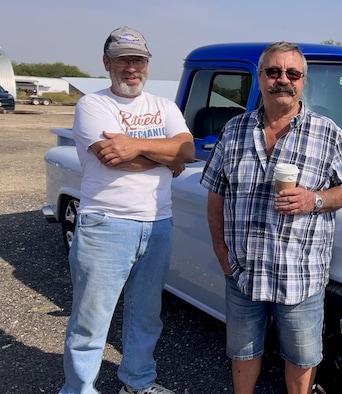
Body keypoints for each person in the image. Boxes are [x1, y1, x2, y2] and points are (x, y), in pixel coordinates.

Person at [200, 41, 342, 394]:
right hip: (244, 272)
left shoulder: (327, 132)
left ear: (303, 81)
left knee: (302, 358)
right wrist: (220, 249)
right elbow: (215, 190)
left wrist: (313, 199)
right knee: (243, 351)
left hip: (300, 275)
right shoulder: (234, 130)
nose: (282, 80)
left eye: (292, 73)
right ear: (260, 78)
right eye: (273, 72)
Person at [60, 26, 194, 394]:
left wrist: (135, 146)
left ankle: (137, 382)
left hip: (157, 224)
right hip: (106, 223)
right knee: (90, 321)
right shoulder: (93, 105)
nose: (131, 67)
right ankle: (79, 388)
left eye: (138, 60)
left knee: (146, 315)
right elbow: (115, 159)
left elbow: (187, 151)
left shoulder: (164, 106)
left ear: (148, 64)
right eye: (123, 60)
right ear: (107, 63)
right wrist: (164, 156)